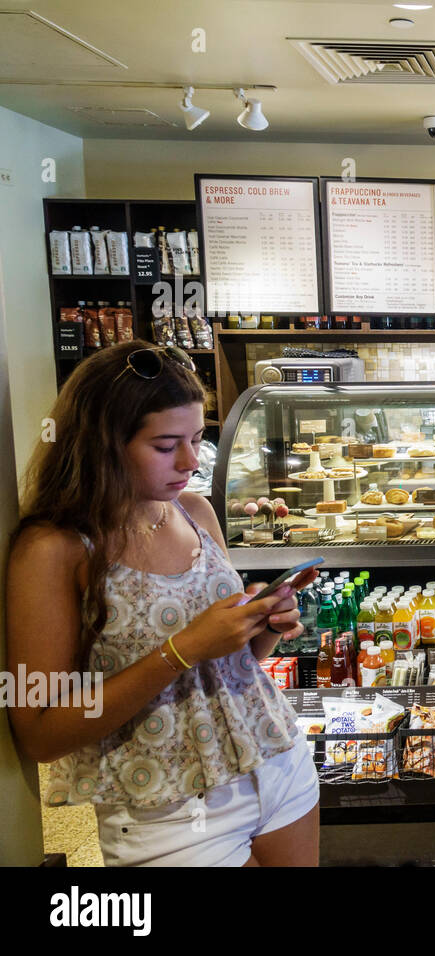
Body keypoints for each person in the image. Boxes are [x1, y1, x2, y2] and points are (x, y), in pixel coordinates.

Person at [6, 341, 321, 866]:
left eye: (197, 439)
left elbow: (232, 666)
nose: (190, 461)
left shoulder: (194, 510)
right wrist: (184, 648)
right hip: (167, 810)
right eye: (165, 445)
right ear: (102, 444)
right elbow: (41, 733)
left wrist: (262, 623)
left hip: (277, 765)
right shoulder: (53, 549)